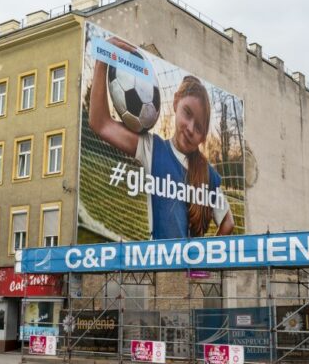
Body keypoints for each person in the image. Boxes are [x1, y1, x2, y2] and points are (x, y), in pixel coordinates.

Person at [89, 37, 235, 240]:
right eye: (187, 113)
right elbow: (100, 123)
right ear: (176, 102)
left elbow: (228, 223)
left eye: (199, 126)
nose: (191, 128)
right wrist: (102, 58)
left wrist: (206, 258)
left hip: (182, 269)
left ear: (203, 136)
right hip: (160, 264)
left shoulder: (207, 174)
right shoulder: (152, 148)